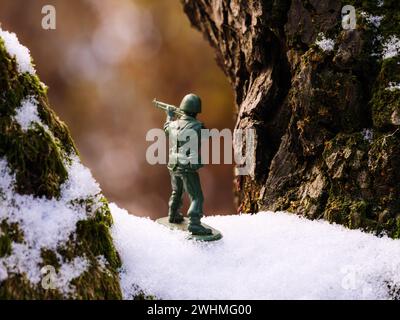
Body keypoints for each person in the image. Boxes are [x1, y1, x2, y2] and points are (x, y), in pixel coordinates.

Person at [164, 93, 212, 236]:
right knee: (197, 196)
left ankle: (173, 214)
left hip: (173, 164)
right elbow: (206, 135)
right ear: (196, 110)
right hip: (187, 165)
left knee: (176, 191)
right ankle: (195, 224)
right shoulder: (198, 126)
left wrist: (169, 115)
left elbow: (166, 128)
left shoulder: (172, 124)